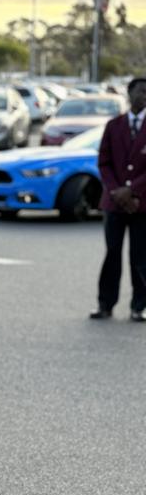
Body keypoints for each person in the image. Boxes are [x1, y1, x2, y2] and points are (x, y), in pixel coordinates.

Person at [90, 76, 146, 322]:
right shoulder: (114, 126)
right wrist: (116, 191)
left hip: (141, 204)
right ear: (130, 94)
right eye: (141, 92)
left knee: (140, 257)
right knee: (112, 254)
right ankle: (105, 304)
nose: (145, 96)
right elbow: (104, 162)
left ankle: (139, 306)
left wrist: (132, 190)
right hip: (114, 203)